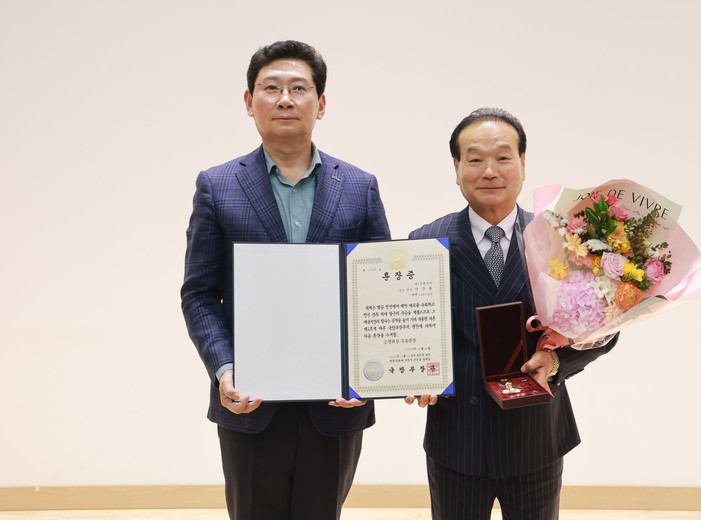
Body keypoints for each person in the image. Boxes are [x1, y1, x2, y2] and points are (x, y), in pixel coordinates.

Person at [181, 40, 391, 520]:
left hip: (336, 404)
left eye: (299, 88)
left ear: (321, 103)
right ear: (249, 101)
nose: (285, 99)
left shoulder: (360, 186)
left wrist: (367, 373)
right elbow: (199, 294)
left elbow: (380, 293)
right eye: (271, 88)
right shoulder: (217, 185)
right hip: (250, 402)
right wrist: (225, 368)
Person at [406, 108, 617, 520]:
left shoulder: (562, 240)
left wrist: (555, 361)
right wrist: (413, 372)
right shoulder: (425, 243)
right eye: (475, 158)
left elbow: (604, 328)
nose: (489, 171)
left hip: (535, 437)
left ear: (522, 163)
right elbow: (409, 329)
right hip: (458, 440)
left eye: (503, 157)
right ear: (456, 168)